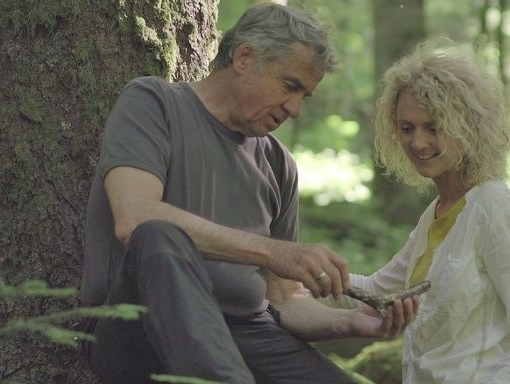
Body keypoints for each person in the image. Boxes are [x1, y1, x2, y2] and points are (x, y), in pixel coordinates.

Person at [78, 4, 418, 383]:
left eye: (305, 95)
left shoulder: (278, 163)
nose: (295, 109)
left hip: (247, 333)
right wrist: (275, 252)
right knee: (157, 234)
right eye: (290, 86)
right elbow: (134, 217)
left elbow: (285, 301)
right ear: (244, 58)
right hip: (137, 326)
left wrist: (352, 321)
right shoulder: (153, 103)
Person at [348, 42, 510, 383]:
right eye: (406, 128)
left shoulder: (496, 210)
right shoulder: (436, 213)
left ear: (467, 126)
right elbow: (375, 293)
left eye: (433, 127)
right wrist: (297, 271)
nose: (418, 142)